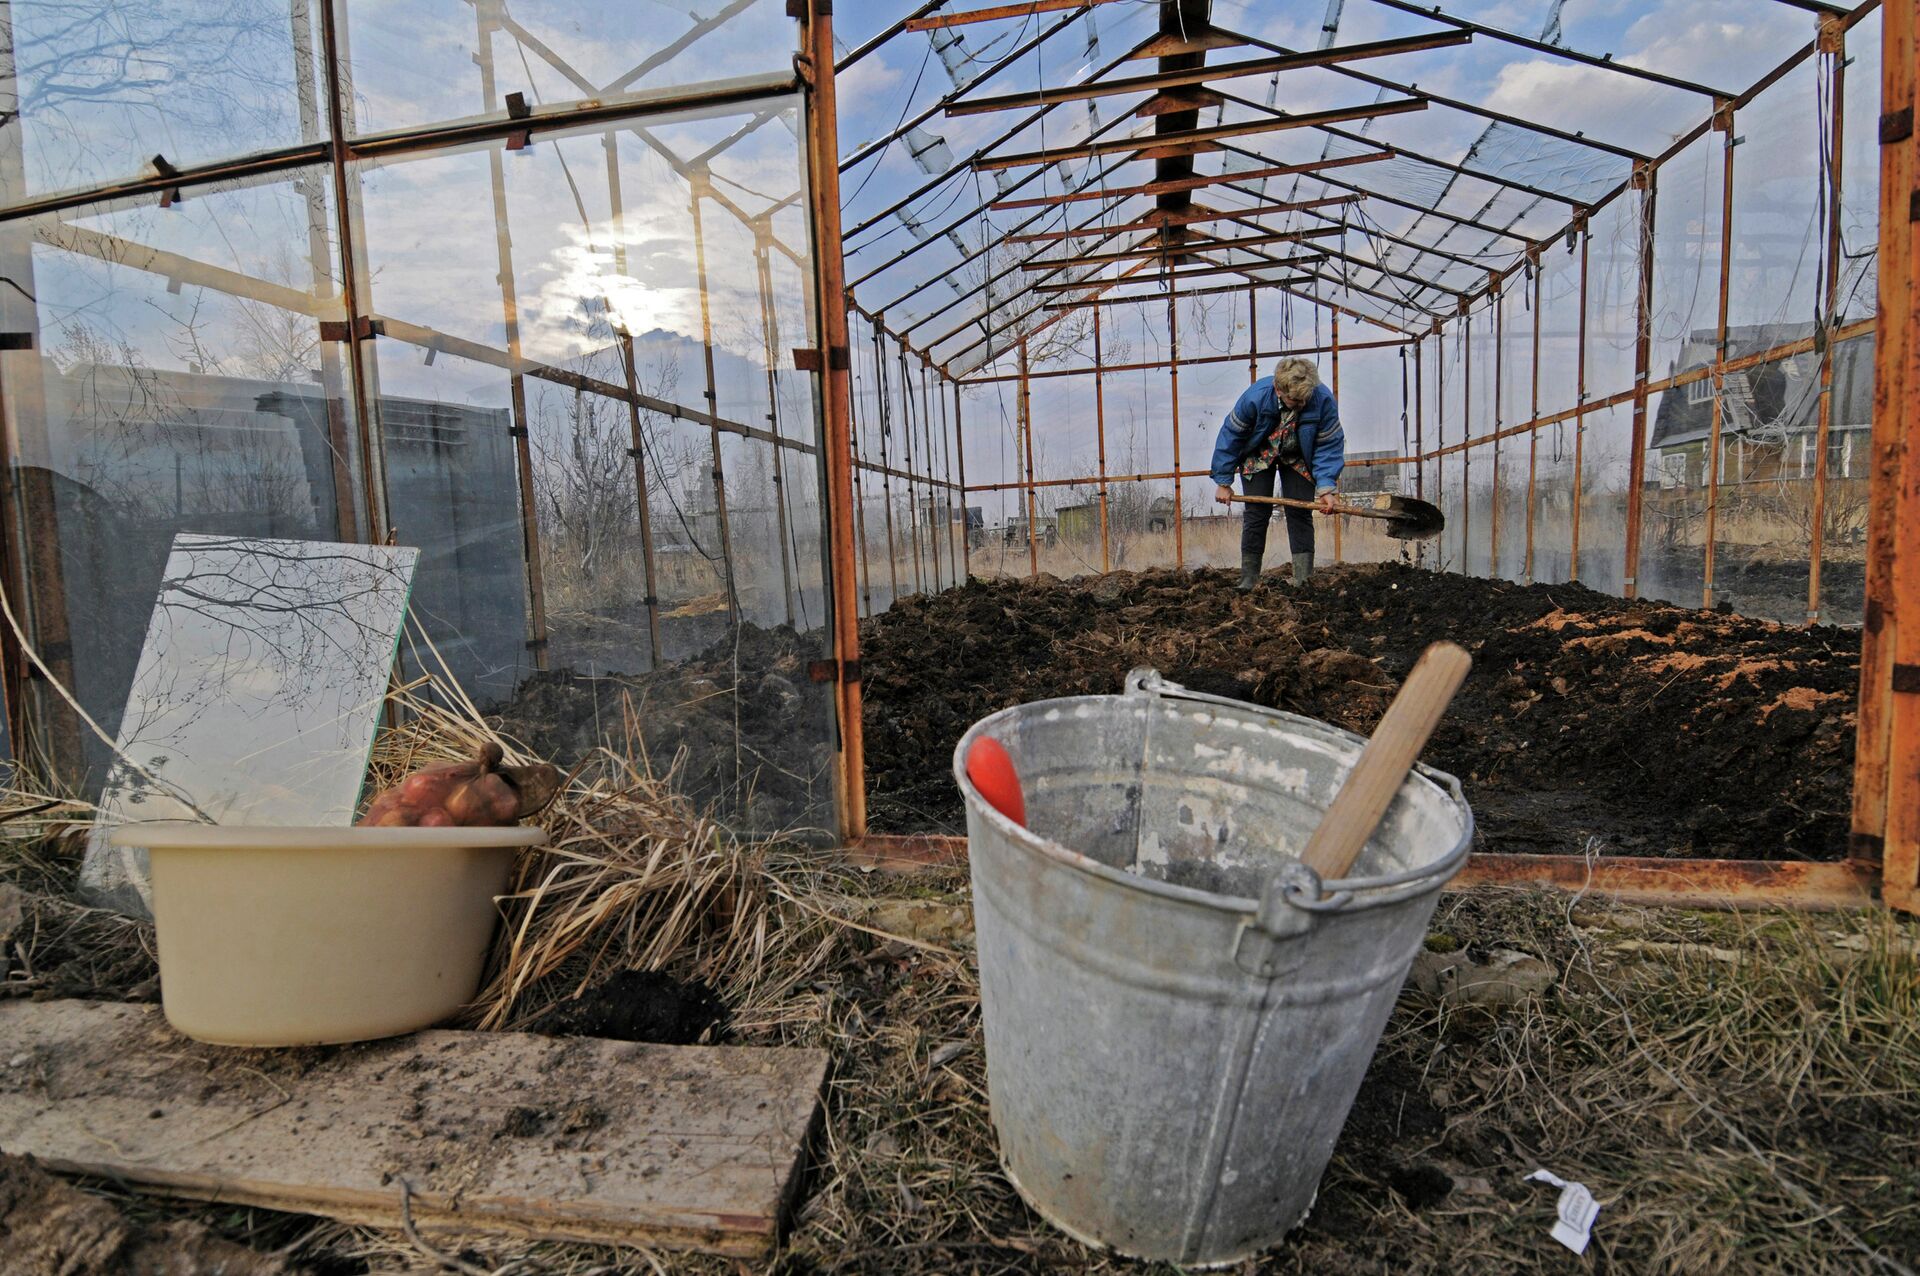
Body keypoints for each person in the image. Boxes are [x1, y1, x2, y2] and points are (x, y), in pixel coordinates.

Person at [1210, 357, 1345, 590]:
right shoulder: (1255, 397)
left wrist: (1326, 487)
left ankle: (1303, 579)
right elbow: (1231, 437)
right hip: (1259, 454)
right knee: (1256, 513)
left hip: (1298, 457)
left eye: (1304, 400)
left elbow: (1328, 445)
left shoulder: (1322, 400)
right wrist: (1223, 480)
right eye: (1294, 399)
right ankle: (1249, 579)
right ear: (1278, 389)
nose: (1299, 404)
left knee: (1300, 511)